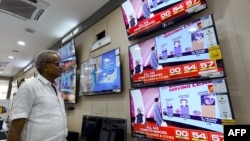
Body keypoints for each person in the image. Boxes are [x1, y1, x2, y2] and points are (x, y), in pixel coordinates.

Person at [7, 50, 68, 141]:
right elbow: (15, 128)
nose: (62, 66)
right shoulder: (29, 87)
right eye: (57, 64)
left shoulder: (55, 88)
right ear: (45, 66)